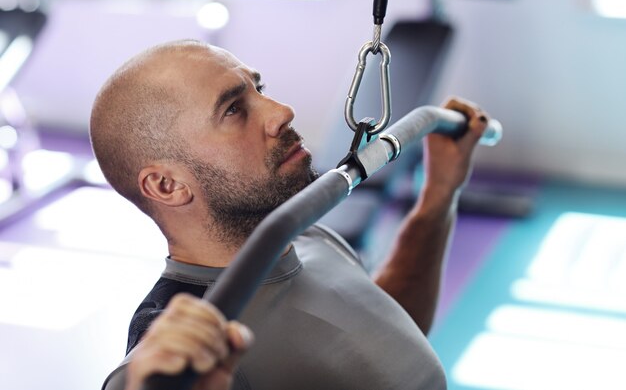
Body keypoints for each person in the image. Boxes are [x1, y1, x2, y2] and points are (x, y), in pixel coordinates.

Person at [91, 39, 489, 390]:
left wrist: (440, 193)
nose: (282, 111)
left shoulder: (305, 236)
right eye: (233, 109)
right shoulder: (187, 351)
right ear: (167, 185)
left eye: (259, 88)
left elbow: (387, 344)